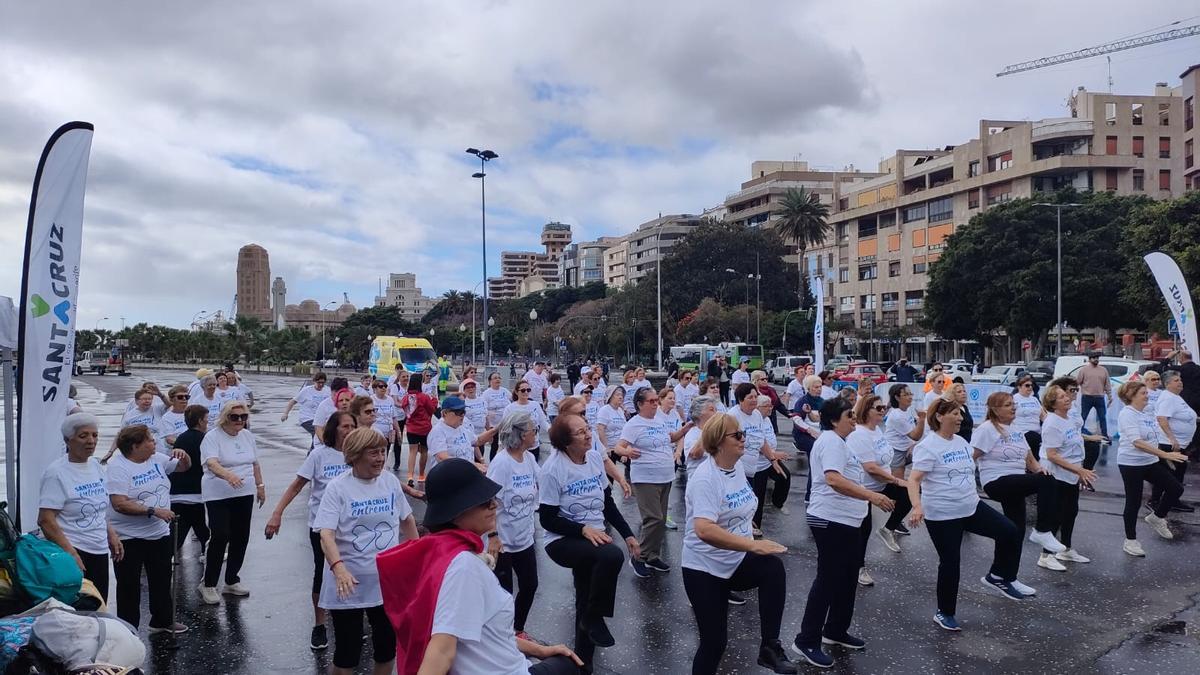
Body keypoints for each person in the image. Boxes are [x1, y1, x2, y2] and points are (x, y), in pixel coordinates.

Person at [391, 459, 581, 675]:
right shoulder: (464, 566)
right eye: (482, 500)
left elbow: (490, 636)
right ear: (455, 511)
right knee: (571, 665)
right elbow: (441, 650)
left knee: (565, 663)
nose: (494, 505)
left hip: (507, 663)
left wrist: (540, 650)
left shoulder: (443, 552)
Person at [683, 413, 796, 675]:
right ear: (718, 441)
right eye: (738, 435)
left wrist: (750, 530)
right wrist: (753, 546)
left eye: (743, 433)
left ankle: (770, 647)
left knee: (773, 569)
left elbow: (740, 507)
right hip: (704, 569)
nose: (744, 439)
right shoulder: (705, 478)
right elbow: (704, 529)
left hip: (734, 560)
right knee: (714, 644)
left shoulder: (736, 467)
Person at [907, 399, 1026, 633]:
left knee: (1009, 531)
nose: (960, 418)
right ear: (940, 417)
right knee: (951, 563)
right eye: (954, 414)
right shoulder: (929, 446)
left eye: (961, 414)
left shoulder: (961, 441)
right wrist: (917, 506)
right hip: (942, 514)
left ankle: (998, 576)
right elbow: (914, 479)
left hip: (971, 506)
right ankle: (945, 613)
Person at [792, 396, 892, 668]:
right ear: (834, 419)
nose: (853, 418)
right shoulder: (831, 442)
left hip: (848, 520)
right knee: (828, 578)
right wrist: (871, 497)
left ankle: (835, 630)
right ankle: (806, 640)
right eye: (849, 414)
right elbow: (833, 479)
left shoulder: (842, 442)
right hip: (830, 519)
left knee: (847, 577)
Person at [316, 428, 418, 675]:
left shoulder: (389, 481)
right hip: (349, 584)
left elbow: (407, 520)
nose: (380, 458)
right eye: (373, 453)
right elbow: (326, 534)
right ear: (354, 455)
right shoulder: (338, 488)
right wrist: (338, 568)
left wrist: (417, 557)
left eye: (383, 452)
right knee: (347, 654)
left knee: (386, 648)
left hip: (385, 582)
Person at [541, 414, 639, 668]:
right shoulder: (553, 469)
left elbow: (607, 504)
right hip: (562, 540)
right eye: (580, 432)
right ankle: (594, 617)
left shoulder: (594, 459)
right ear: (564, 441)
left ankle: (584, 664)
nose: (588, 435)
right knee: (611, 555)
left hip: (593, 538)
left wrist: (628, 534)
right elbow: (548, 520)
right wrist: (583, 529)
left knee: (585, 598)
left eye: (588, 429)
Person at [264, 410, 355, 650]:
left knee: (351, 571)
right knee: (323, 573)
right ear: (333, 429)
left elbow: (379, 477)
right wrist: (277, 513)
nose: (350, 431)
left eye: (353, 426)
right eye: (345, 426)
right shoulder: (319, 455)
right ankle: (319, 624)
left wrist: (409, 491)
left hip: (351, 526)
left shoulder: (357, 454)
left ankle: (347, 618)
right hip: (322, 525)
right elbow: (296, 486)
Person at [105, 424, 191, 634]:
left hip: (158, 533)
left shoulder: (156, 459)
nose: (154, 442)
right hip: (127, 537)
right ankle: (128, 628)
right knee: (129, 585)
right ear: (135, 446)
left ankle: (162, 619)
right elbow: (119, 503)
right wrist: (153, 511)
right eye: (150, 440)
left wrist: (184, 455)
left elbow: (183, 467)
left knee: (161, 577)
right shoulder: (118, 467)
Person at [39, 413, 122, 603]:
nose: (91, 441)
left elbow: (98, 506)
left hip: (99, 549)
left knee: (99, 604)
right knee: (78, 609)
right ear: (68, 440)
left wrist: (111, 533)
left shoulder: (95, 466)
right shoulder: (57, 473)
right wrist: (71, 553)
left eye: (94, 435)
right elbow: (45, 519)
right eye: (83, 436)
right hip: (74, 549)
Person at [616, 386, 693, 576]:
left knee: (660, 521)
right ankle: (638, 556)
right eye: (651, 401)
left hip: (665, 476)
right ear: (640, 404)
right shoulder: (634, 424)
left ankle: (652, 556)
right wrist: (627, 452)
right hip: (645, 478)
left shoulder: (659, 419)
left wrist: (685, 429)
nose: (655, 404)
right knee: (654, 518)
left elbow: (671, 438)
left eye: (656, 400)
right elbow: (618, 447)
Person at [198, 401, 265, 605]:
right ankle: (208, 583)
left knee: (241, 536)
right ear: (225, 417)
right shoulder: (212, 437)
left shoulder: (246, 435)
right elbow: (211, 463)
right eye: (235, 417)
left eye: (243, 417)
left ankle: (231, 579)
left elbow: (254, 462)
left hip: (244, 492)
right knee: (220, 535)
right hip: (218, 493)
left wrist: (260, 486)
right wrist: (228, 476)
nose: (239, 421)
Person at [486, 411, 542, 641]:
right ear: (520, 434)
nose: (536, 434)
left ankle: (517, 629)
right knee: (504, 593)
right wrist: (493, 535)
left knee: (530, 585)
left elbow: (545, 480)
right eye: (533, 430)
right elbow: (489, 502)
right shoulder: (501, 463)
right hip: (503, 541)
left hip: (524, 536)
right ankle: (501, 636)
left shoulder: (528, 458)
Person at [1115, 380, 1187, 557]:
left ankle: (1156, 517)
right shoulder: (1127, 414)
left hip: (1150, 461)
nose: (1147, 396)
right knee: (1133, 501)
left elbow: (1153, 437)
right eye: (1143, 393)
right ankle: (1130, 541)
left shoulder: (1146, 412)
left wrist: (1164, 454)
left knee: (1176, 488)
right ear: (1131, 396)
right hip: (1131, 463)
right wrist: (1165, 455)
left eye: (1146, 393)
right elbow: (1137, 442)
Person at [846, 394, 911, 581]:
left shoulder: (876, 430)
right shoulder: (859, 434)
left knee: (908, 495)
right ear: (867, 411)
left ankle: (888, 529)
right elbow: (871, 468)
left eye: (884, 407)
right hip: (862, 488)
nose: (883, 410)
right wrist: (897, 480)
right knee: (863, 530)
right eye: (879, 408)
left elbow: (883, 460)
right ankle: (858, 568)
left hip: (881, 483)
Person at [1036, 385, 1095, 571]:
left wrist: (1080, 469)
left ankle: (1066, 549)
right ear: (1053, 404)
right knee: (1056, 514)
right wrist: (1079, 471)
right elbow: (1052, 455)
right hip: (1056, 474)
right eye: (1061, 397)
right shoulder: (1052, 423)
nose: (1067, 398)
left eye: (1066, 395)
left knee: (1071, 511)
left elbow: (1074, 446)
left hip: (1071, 473)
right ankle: (1046, 555)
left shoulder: (1067, 418)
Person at [167, 405, 211, 562]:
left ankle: (206, 550)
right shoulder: (204, 439)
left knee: (194, 524)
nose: (208, 422)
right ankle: (168, 555)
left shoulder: (182, 437)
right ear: (200, 421)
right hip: (193, 491)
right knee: (187, 525)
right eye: (206, 419)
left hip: (178, 490)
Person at [1150, 371, 1196, 512]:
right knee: (1166, 474)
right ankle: (1155, 501)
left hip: (1180, 444)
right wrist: (1172, 438)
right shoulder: (1168, 398)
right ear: (1167, 384)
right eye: (1176, 380)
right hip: (1169, 444)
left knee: (1177, 473)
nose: (1180, 382)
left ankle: (1173, 500)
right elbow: (1162, 418)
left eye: (1180, 379)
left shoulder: (1176, 397)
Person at [427, 396, 497, 473]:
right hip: (446, 478)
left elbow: (477, 441)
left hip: (465, 475)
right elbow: (442, 458)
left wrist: (495, 429)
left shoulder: (462, 428)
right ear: (444, 413)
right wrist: (472, 464)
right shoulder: (438, 431)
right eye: (458, 412)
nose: (462, 415)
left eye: (463, 412)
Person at [753, 394, 793, 526]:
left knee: (784, 476)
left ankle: (778, 503)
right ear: (758, 408)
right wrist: (775, 455)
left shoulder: (767, 419)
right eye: (767, 406)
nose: (771, 408)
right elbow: (757, 444)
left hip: (770, 459)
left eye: (771, 405)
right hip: (758, 464)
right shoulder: (755, 421)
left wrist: (774, 459)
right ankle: (755, 526)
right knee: (759, 495)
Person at [883, 384, 925, 506]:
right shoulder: (897, 415)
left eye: (910, 393)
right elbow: (915, 435)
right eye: (906, 394)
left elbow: (912, 437)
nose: (910, 397)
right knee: (898, 489)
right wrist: (922, 419)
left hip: (905, 449)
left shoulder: (906, 411)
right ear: (897, 397)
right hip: (895, 451)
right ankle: (893, 519)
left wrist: (912, 445)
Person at [789, 375, 825, 502]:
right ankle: (809, 496)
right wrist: (809, 430)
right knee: (815, 464)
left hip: (820, 435)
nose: (819, 389)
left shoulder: (823, 401)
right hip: (804, 436)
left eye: (820, 386)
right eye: (816, 387)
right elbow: (796, 419)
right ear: (808, 388)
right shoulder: (802, 401)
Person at [400, 373, 438, 485]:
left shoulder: (406, 398)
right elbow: (432, 410)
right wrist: (434, 401)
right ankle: (421, 475)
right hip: (424, 428)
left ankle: (410, 475)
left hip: (411, 428)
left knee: (412, 452)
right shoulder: (424, 397)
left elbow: (404, 409)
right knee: (424, 451)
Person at [504, 381, 552, 460]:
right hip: (517, 446)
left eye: (528, 390)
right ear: (516, 392)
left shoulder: (535, 405)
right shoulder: (510, 408)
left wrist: (551, 430)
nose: (526, 392)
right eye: (523, 390)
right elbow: (505, 428)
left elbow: (543, 421)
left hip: (533, 445)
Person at [1077, 352, 1112, 440]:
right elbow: (1077, 382)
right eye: (1094, 358)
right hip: (1087, 397)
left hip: (1099, 397)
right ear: (1089, 359)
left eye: (1097, 358)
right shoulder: (1083, 370)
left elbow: (1107, 384)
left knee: (1102, 418)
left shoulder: (1103, 370)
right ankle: (1078, 434)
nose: (1096, 359)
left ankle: (1105, 436)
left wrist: (1109, 395)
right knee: (1083, 417)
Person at [283, 373, 329, 439]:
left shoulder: (327, 391)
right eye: (319, 382)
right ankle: (316, 449)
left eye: (323, 383)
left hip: (319, 419)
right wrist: (285, 413)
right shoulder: (307, 390)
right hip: (307, 418)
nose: (321, 385)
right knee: (318, 433)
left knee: (322, 434)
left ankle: (314, 449)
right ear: (314, 381)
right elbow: (293, 401)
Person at [683, 395, 720, 479]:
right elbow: (696, 454)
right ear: (699, 413)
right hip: (699, 480)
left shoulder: (717, 432)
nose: (716, 413)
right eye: (711, 410)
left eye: (716, 410)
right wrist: (707, 429)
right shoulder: (693, 433)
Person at [1010, 374, 1046, 459]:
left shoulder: (1034, 399)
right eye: (1027, 385)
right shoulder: (1014, 399)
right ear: (1019, 387)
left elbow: (1043, 416)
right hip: (1022, 433)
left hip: (1036, 432)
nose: (1030, 387)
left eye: (1031, 385)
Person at [483, 371, 512, 459]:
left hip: (506, 423)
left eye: (499, 378)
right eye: (495, 378)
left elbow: (513, 401)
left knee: (506, 445)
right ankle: (492, 463)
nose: (497, 379)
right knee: (494, 445)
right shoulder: (486, 393)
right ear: (490, 381)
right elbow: (483, 409)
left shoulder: (505, 391)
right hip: (493, 425)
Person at [596, 387, 627, 463]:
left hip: (620, 447)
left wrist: (625, 450)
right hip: (610, 448)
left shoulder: (620, 410)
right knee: (611, 473)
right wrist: (606, 447)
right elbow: (600, 429)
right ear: (610, 397)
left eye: (622, 395)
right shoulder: (604, 410)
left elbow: (624, 430)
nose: (621, 397)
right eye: (617, 395)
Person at [754, 370, 789, 434]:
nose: (765, 381)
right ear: (756, 380)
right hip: (758, 421)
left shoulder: (771, 390)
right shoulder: (753, 391)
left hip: (772, 421)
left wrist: (789, 414)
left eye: (766, 379)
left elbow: (778, 405)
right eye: (762, 379)